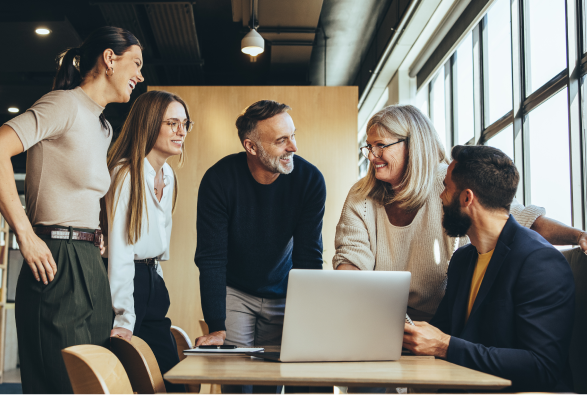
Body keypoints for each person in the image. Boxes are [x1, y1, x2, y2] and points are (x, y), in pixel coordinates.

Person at [333, 105, 586, 322]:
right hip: (381, 317)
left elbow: (518, 220)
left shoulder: (450, 182)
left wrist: (578, 236)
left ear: (412, 146)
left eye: (380, 146)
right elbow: (351, 260)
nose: (372, 156)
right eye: (369, 147)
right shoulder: (362, 195)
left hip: (445, 321)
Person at [0, 27, 143, 395]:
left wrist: (94, 236)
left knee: (93, 384)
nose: (140, 76)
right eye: (136, 64)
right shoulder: (63, 104)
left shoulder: (103, 126)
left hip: (89, 263)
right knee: (61, 383)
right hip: (56, 259)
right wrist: (25, 234)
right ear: (109, 59)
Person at [403, 145, 575, 392]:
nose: (440, 196)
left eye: (446, 188)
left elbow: (542, 367)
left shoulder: (540, 262)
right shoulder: (463, 259)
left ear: (466, 198)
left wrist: (445, 346)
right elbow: (442, 331)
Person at [194, 100, 326, 392]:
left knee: (272, 382)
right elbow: (212, 258)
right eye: (281, 140)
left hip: (285, 290)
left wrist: (310, 317)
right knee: (238, 381)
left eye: (293, 135)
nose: (293, 146)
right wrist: (217, 326)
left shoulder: (310, 180)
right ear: (251, 147)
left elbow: (309, 255)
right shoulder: (219, 180)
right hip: (236, 292)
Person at [103, 90, 190, 392]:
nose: (182, 131)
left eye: (185, 124)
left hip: (152, 281)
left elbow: (157, 246)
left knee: (169, 381)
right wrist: (124, 316)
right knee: (128, 381)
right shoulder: (125, 173)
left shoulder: (167, 175)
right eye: (172, 123)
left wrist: (158, 282)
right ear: (150, 124)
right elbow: (120, 251)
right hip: (128, 285)